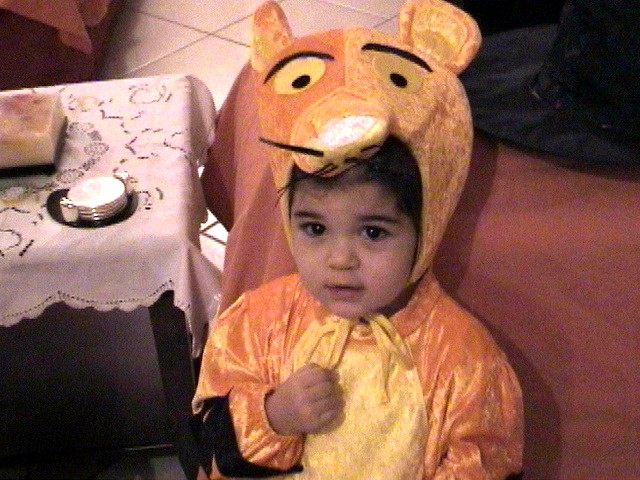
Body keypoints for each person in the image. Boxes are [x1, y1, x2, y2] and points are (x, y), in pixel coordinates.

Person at [191, 136, 524, 479]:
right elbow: (210, 442)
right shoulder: (259, 321)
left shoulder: (463, 357)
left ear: (425, 232)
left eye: (373, 233)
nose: (340, 260)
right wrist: (274, 415)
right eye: (315, 229)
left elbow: (485, 462)